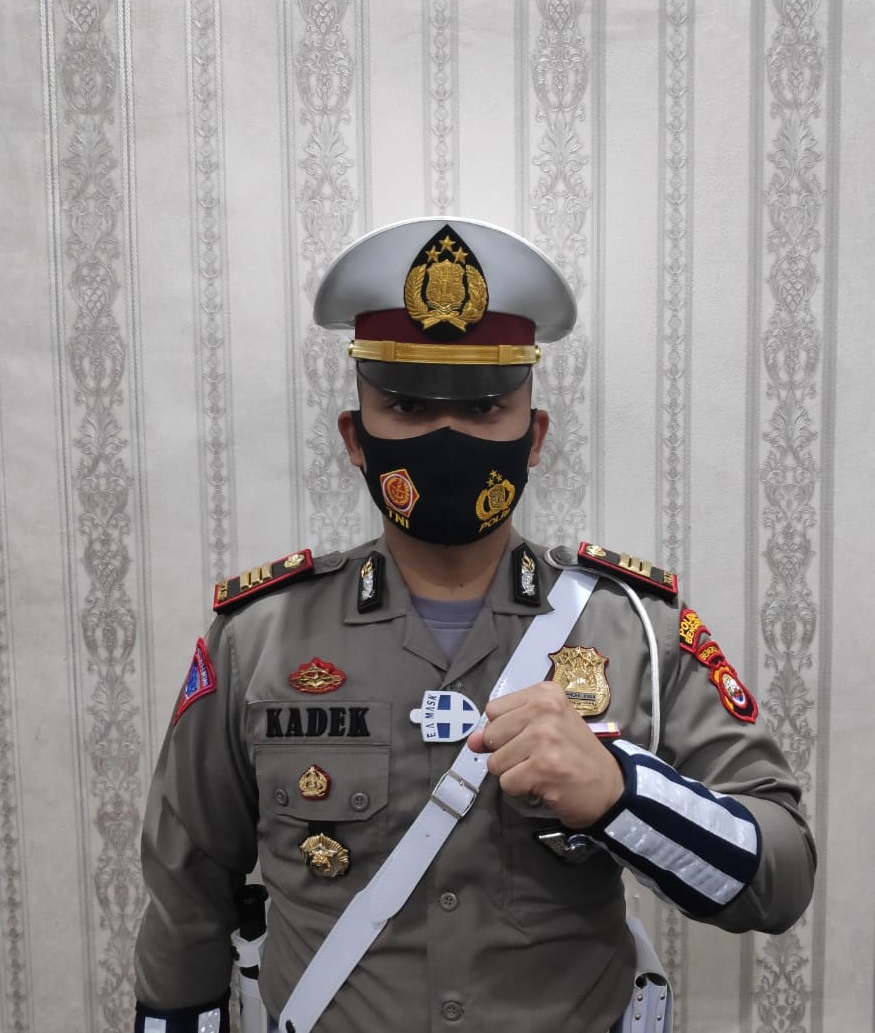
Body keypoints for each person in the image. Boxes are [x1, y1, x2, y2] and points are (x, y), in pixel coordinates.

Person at [133, 217, 816, 1033]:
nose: (447, 436)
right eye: (406, 405)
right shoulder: (259, 635)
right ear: (356, 437)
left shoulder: (634, 626)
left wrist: (621, 792)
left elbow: (779, 877)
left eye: (486, 406)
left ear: (534, 435)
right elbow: (187, 886)